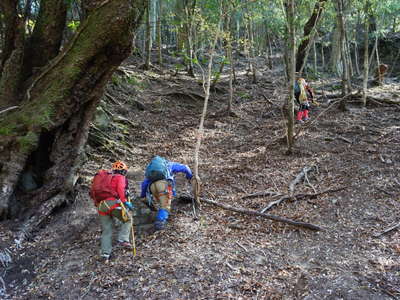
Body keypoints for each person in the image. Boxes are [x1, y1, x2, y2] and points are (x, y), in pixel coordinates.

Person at [90, 160, 134, 261]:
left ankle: (105, 254)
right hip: (113, 203)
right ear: (124, 171)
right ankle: (123, 239)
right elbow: (120, 190)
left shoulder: (106, 179)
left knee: (106, 231)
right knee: (128, 219)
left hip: (101, 206)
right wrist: (125, 202)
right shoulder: (120, 177)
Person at [140, 156, 193, 231]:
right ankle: (160, 224)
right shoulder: (169, 164)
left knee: (162, 203)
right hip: (164, 185)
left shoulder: (151, 171)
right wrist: (189, 176)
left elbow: (144, 183)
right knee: (165, 206)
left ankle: (162, 215)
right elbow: (185, 168)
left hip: (153, 187)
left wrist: (143, 195)